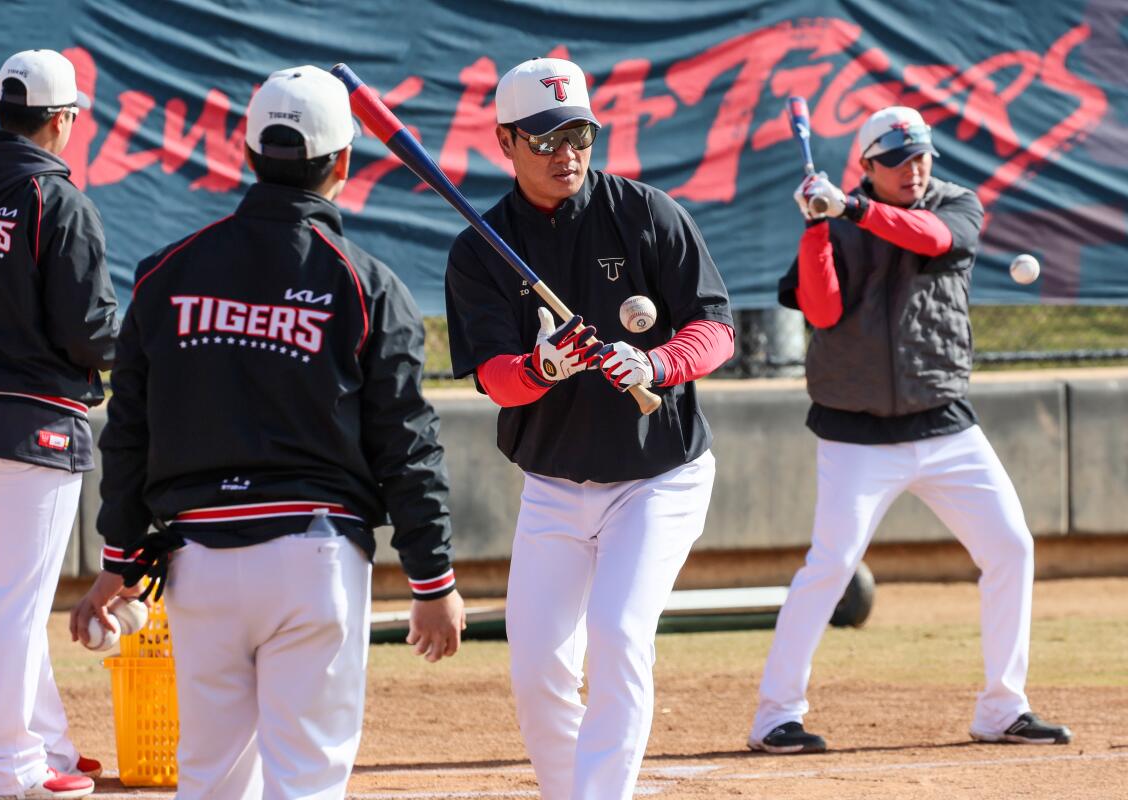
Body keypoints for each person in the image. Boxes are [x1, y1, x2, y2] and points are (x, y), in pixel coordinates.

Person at [69, 66, 465, 799]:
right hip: (312, 560)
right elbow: (406, 442)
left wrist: (119, 560)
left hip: (199, 567)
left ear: (248, 154)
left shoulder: (166, 274)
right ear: (343, 163)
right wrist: (431, 576)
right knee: (306, 779)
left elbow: (126, 435)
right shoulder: (365, 283)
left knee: (212, 780)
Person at [445, 57, 735, 800]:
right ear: (506, 142)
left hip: (658, 477)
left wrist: (659, 365)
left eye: (578, 134)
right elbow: (491, 379)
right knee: (538, 663)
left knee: (618, 635)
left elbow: (716, 328)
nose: (565, 152)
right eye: (543, 139)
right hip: (553, 482)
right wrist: (541, 367)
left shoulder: (644, 212)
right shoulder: (481, 246)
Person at [747, 106, 1073, 754]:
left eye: (921, 156)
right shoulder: (839, 218)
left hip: (943, 422)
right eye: (897, 161)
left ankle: (1002, 709)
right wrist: (817, 228)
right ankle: (774, 717)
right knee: (831, 565)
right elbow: (821, 308)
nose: (914, 169)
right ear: (867, 168)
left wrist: (850, 210)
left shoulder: (956, 205)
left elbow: (930, 240)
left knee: (1011, 546)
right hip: (856, 433)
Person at [0, 49, 118, 800]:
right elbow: (88, 330)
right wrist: (132, 354)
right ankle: (8, 766)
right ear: (64, 119)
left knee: (14, 592)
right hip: (34, 424)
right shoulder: (56, 200)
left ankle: (48, 746)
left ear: (3, 110)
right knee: (20, 599)